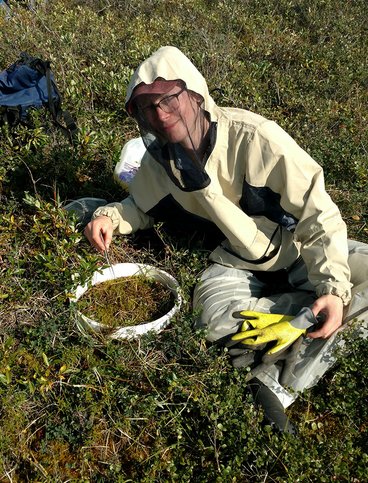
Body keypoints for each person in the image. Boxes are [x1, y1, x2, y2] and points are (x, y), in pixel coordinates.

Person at [83, 46, 368, 433]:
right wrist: (110, 217)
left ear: (196, 95)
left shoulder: (256, 140)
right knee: (214, 320)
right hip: (234, 263)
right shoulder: (160, 161)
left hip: (301, 250)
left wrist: (333, 287)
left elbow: (318, 215)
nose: (162, 115)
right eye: (149, 108)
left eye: (169, 99)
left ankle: (279, 375)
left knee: (345, 289)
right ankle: (301, 326)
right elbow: (143, 205)